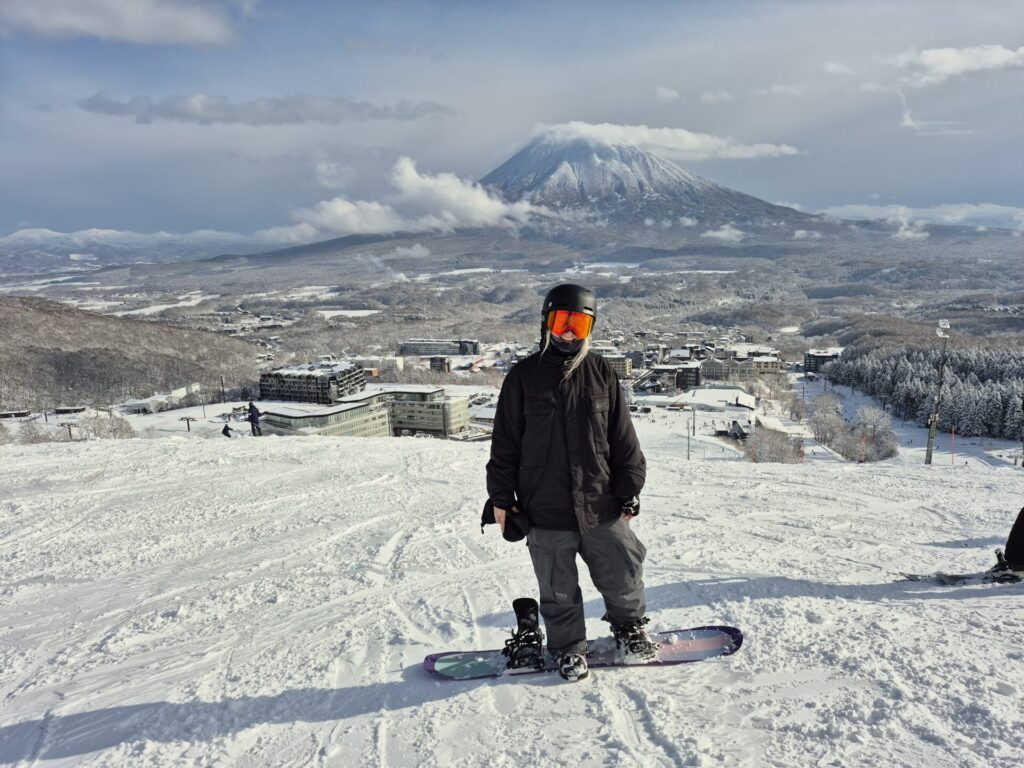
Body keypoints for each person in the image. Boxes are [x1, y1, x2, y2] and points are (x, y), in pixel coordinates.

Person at [486, 283, 654, 682]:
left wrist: (630, 488)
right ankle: (567, 648)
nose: (567, 333)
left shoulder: (601, 373)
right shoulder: (523, 377)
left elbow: (622, 437)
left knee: (623, 570)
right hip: (544, 509)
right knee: (558, 587)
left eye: (578, 325)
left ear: (589, 329)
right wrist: (500, 498)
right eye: (562, 322)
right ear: (546, 322)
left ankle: (629, 628)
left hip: (602, 503)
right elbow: (505, 444)